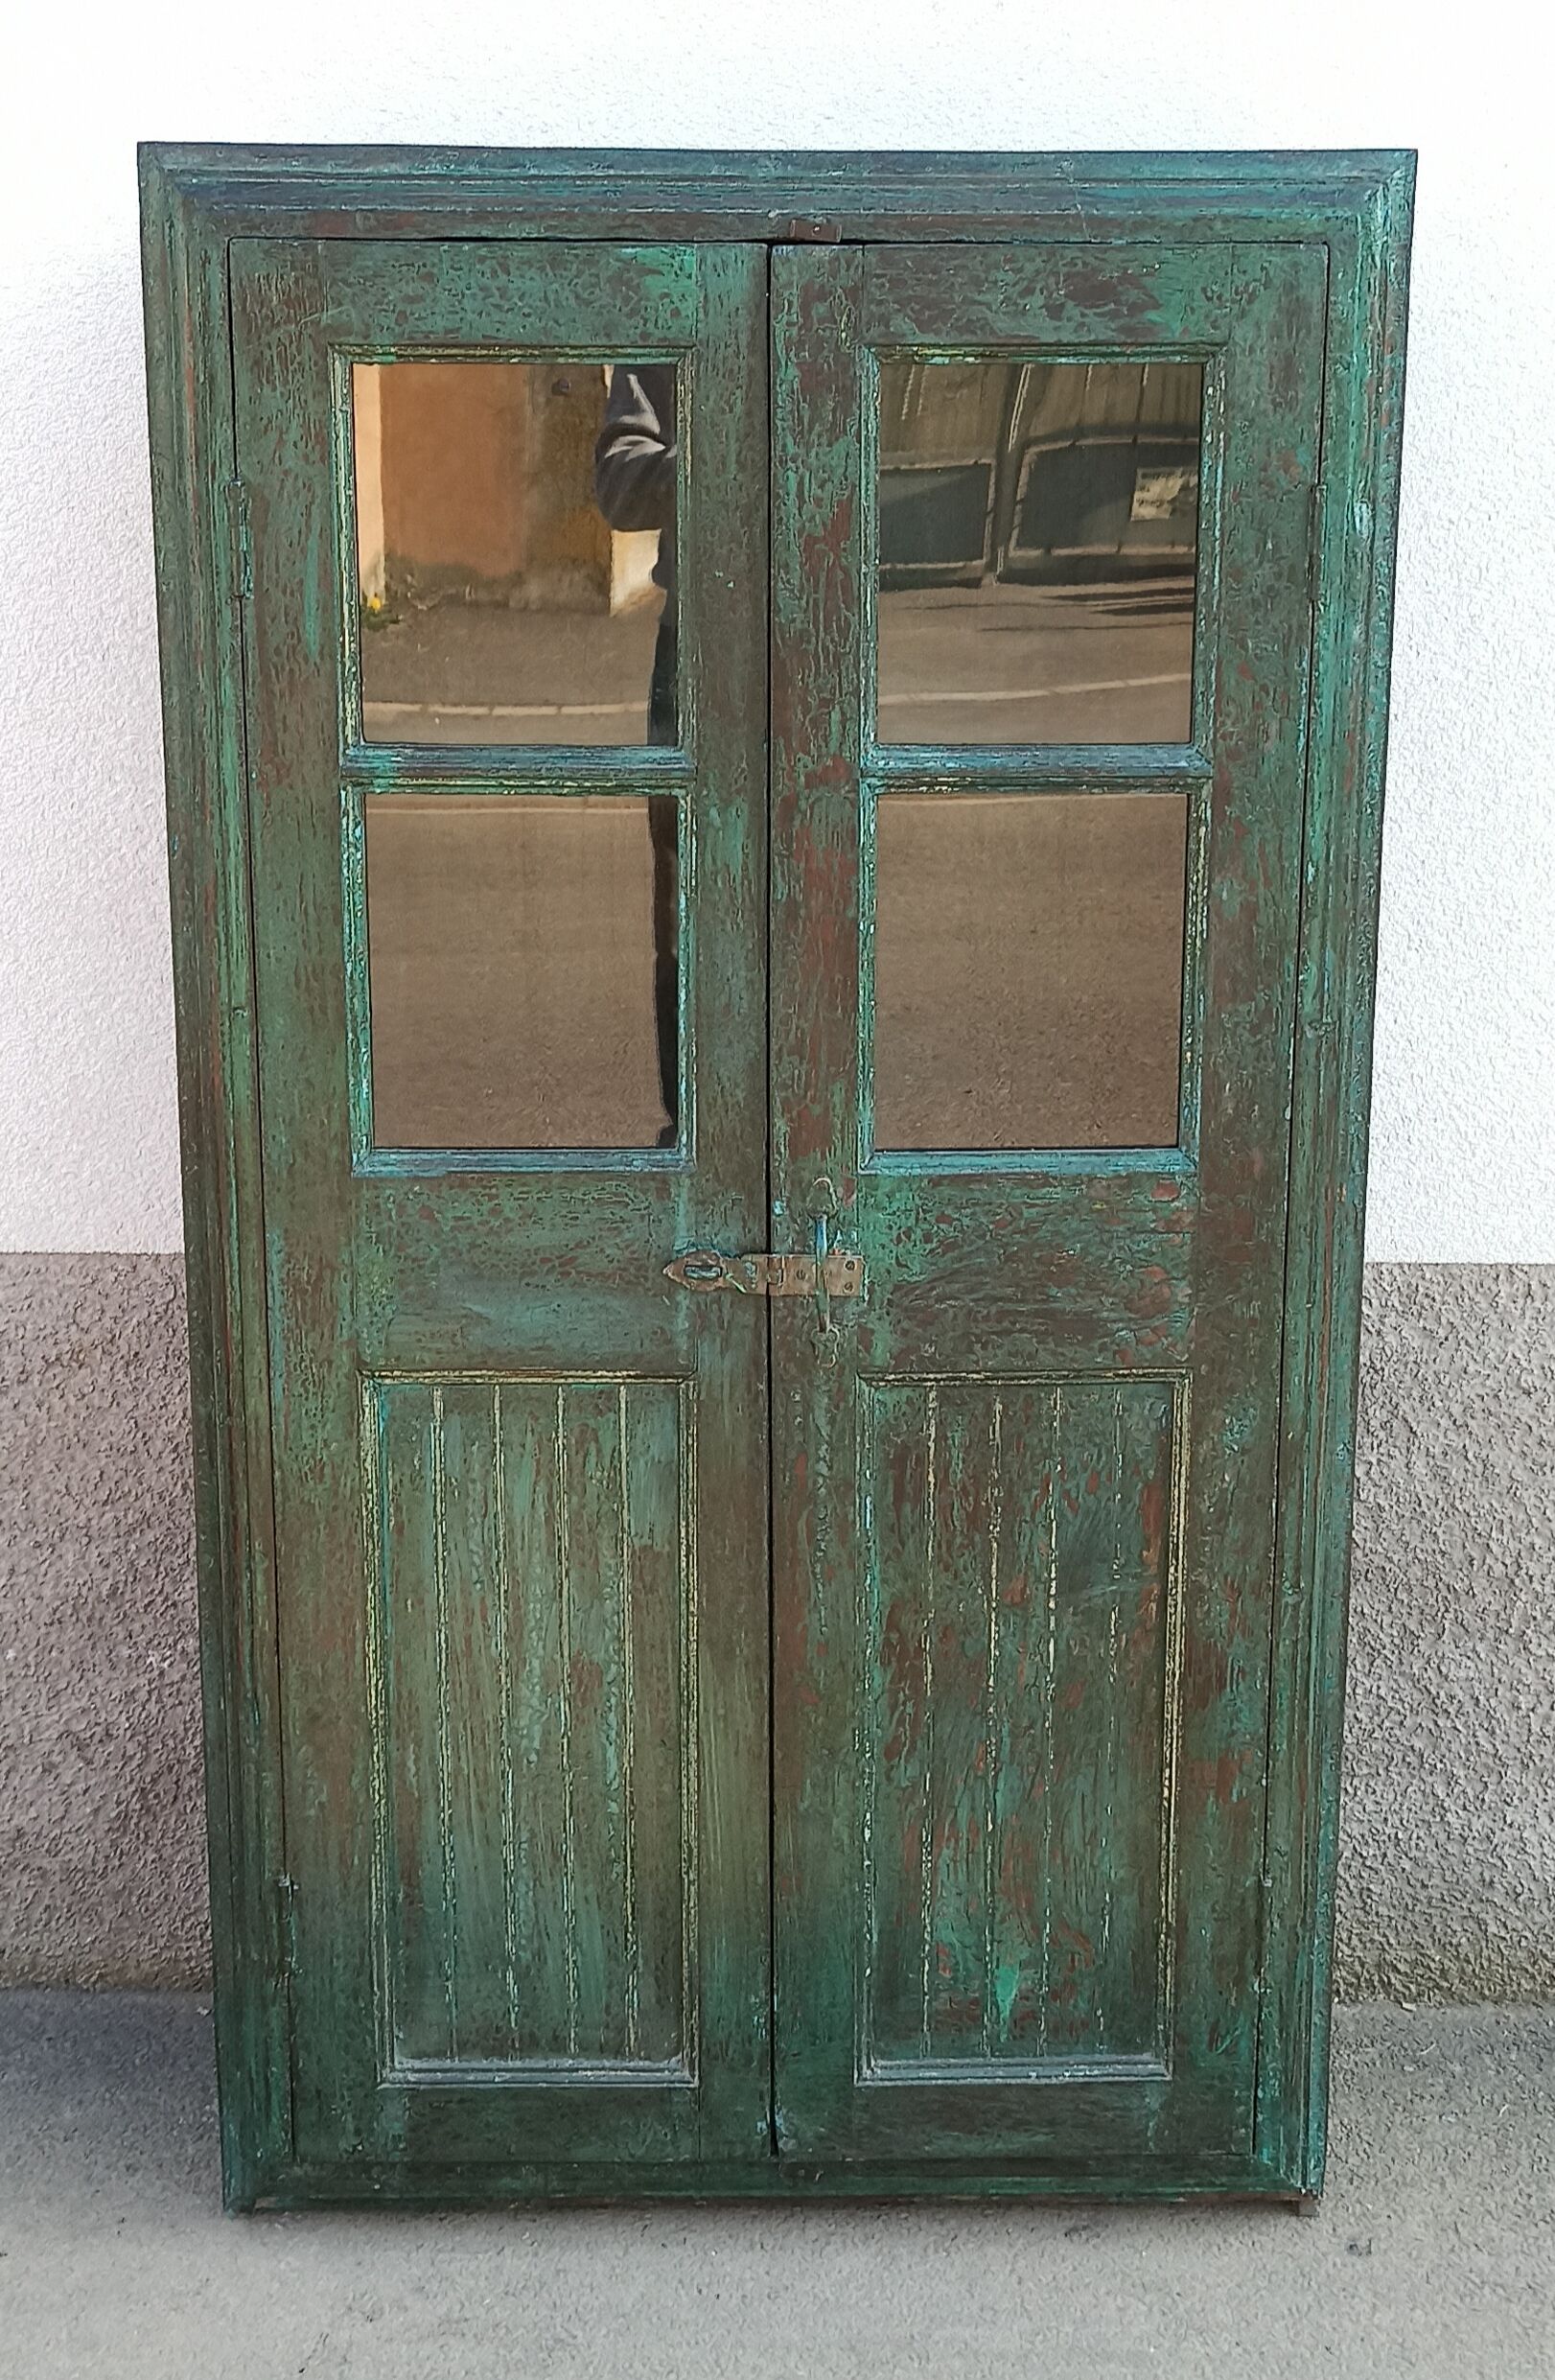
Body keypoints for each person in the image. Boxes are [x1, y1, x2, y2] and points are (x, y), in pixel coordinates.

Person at [594, 367, 679, 1144]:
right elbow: (620, 484)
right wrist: (711, 456)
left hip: (817, 621)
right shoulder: (671, 334)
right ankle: (689, 1122)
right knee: (684, 897)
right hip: (699, 640)